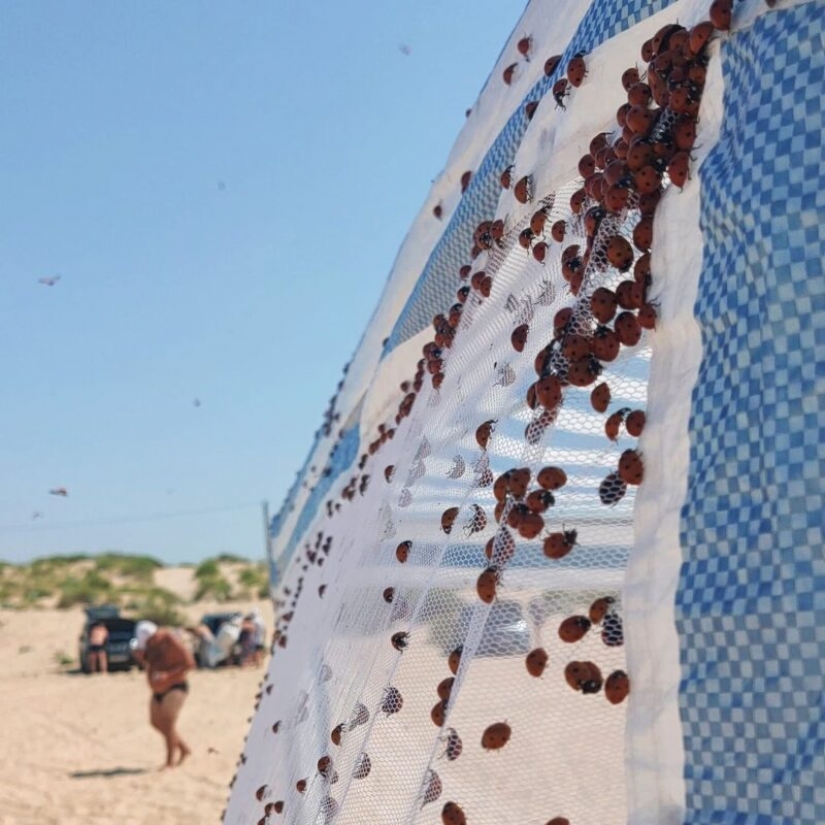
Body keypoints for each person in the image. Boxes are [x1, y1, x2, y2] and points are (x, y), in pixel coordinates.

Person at [133, 620, 195, 769]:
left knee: (168, 723)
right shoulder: (152, 646)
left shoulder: (170, 641)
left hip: (175, 686)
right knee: (156, 722)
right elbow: (151, 663)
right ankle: (183, 749)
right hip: (158, 690)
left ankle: (170, 761)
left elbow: (189, 664)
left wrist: (167, 676)